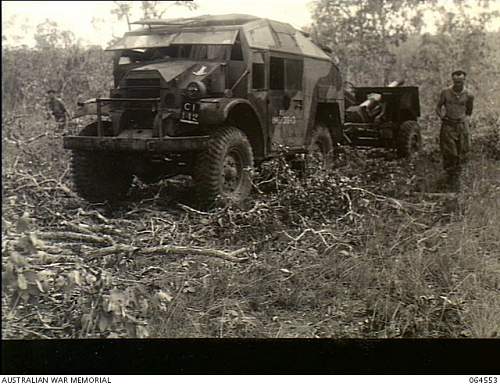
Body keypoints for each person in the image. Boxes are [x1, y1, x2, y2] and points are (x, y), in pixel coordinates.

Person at [435, 70, 474, 191]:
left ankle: (461, 178)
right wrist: (442, 117)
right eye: (456, 81)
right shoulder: (445, 92)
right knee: (449, 151)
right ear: (453, 80)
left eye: (460, 81)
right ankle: (449, 177)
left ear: (464, 80)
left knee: (464, 149)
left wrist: (464, 120)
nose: (458, 84)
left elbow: (469, 111)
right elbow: (438, 107)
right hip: (448, 124)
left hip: (461, 124)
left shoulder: (469, 94)